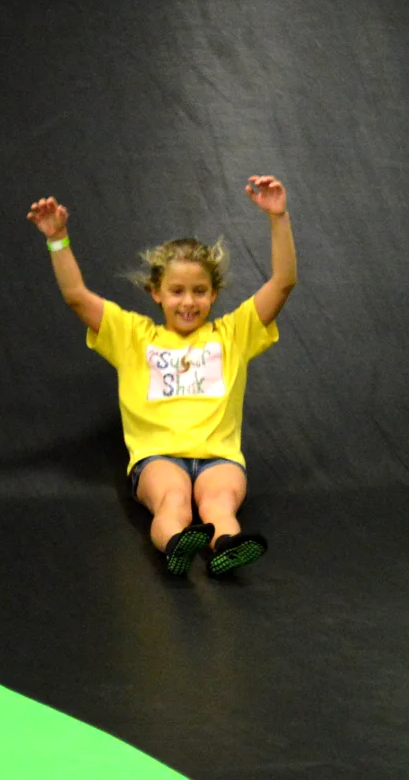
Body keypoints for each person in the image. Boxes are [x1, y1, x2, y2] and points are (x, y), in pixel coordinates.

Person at [26, 176, 297, 577]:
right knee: (174, 501)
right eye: (177, 291)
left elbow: (283, 283)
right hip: (158, 458)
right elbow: (76, 297)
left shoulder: (233, 334)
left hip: (218, 458)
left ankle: (226, 548)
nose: (189, 301)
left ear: (214, 294)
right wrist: (57, 239)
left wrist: (279, 218)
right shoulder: (132, 336)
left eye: (200, 291)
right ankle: (175, 546)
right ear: (156, 292)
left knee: (219, 503)